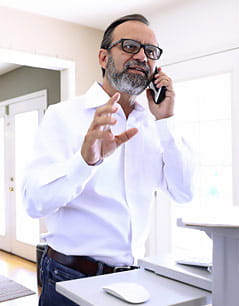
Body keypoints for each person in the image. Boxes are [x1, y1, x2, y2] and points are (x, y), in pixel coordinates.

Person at [22, 14, 195, 306]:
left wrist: (167, 121)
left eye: (150, 52)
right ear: (104, 57)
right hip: (69, 278)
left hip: (134, 281)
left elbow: (184, 192)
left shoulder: (157, 124)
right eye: (130, 46)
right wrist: (84, 162)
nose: (142, 56)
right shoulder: (62, 116)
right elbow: (33, 203)